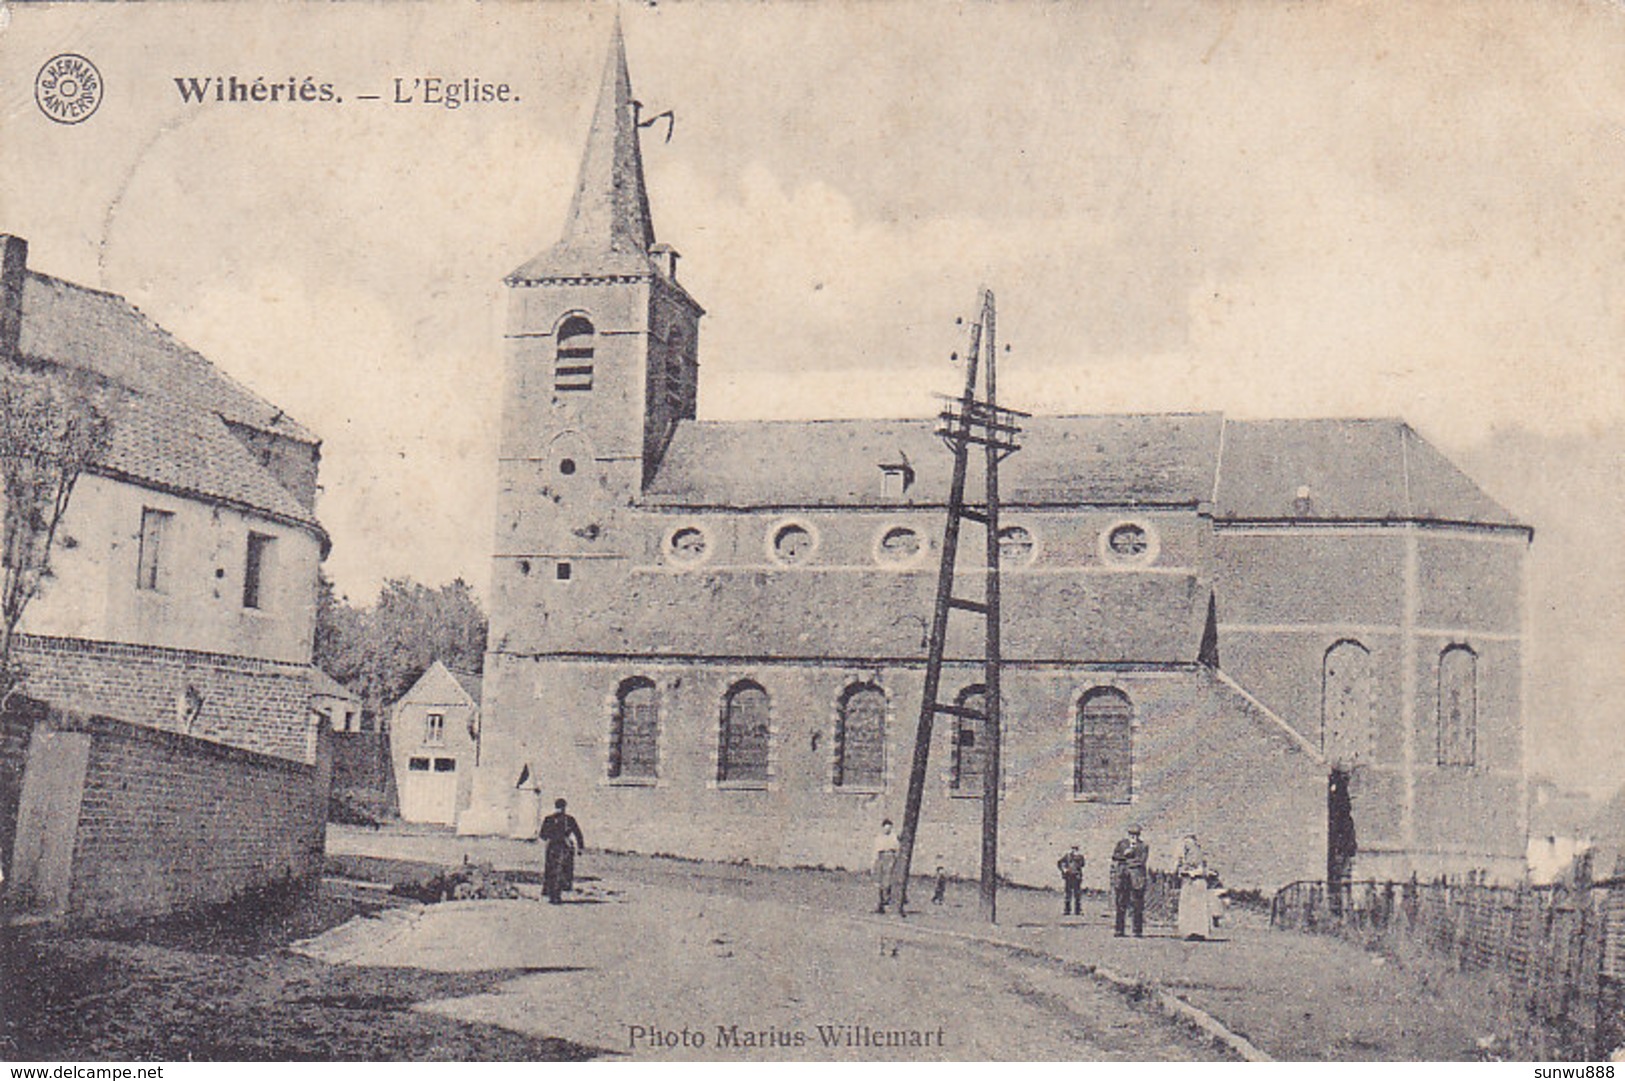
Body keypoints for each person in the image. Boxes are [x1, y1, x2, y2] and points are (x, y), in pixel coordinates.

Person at [539, 798, 585, 904]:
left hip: (552, 847)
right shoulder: (569, 819)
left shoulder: (548, 819)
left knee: (552, 870)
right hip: (564, 847)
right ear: (564, 807)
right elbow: (578, 834)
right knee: (562, 870)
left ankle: (552, 895)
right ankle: (557, 895)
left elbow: (542, 835)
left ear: (555, 807)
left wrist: (551, 836)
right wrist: (580, 848)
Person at [1110, 824, 1150, 937]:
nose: (1134, 837)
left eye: (1136, 835)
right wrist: (1125, 854)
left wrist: (1127, 861)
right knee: (1121, 903)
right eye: (1132, 835)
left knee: (1137, 904)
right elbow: (1115, 856)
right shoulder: (1121, 844)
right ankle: (1119, 930)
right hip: (1122, 877)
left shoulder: (1143, 846)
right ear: (1128, 834)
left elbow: (1141, 861)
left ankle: (1137, 930)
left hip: (1137, 878)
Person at [1175, 834, 1216, 940]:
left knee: (1198, 907)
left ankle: (1199, 932)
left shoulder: (1200, 856)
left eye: (1189, 844)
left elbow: (1205, 870)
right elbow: (1180, 869)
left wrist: (1193, 873)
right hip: (1188, 884)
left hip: (1198, 883)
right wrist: (1183, 871)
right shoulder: (1184, 857)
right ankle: (1189, 931)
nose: (1187, 846)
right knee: (1188, 908)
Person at [873, 819, 900, 913]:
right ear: (883, 828)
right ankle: (880, 903)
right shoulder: (879, 838)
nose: (887, 830)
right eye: (886, 828)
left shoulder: (894, 837)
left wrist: (894, 860)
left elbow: (897, 850)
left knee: (888, 882)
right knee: (879, 882)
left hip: (890, 858)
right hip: (881, 858)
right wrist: (875, 862)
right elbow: (876, 851)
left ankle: (887, 902)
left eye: (889, 828)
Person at [1057, 845, 1087, 916]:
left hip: (1077, 877)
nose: (1074, 850)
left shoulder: (1080, 857)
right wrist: (1064, 870)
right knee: (1068, 894)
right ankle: (1067, 910)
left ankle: (1078, 910)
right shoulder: (1067, 856)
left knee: (1077, 894)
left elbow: (1082, 864)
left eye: (1076, 849)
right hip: (1069, 877)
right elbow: (1060, 863)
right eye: (1073, 849)